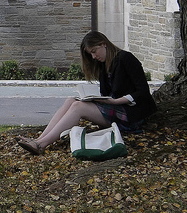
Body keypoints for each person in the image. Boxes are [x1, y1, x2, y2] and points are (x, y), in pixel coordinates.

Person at [17, 31, 157, 155]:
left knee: (78, 107)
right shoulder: (104, 65)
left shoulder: (126, 58)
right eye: (91, 53)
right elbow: (106, 93)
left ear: (104, 44)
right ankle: (38, 140)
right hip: (116, 109)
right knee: (71, 101)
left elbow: (143, 91)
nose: (93, 56)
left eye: (94, 51)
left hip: (132, 115)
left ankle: (41, 145)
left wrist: (116, 101)